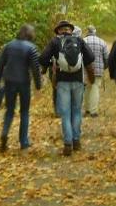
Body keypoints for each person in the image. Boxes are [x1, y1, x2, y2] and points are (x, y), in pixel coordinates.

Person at [40, 20, 95, 156]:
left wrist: (50, 64)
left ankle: (67, 144)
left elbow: (42, 58)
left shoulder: (55, 42)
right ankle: (76, 141)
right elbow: (91, 58)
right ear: (70, 30)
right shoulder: (79, 40)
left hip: (62, 82)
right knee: (76, 111)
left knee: (65, 114)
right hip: (78, 82)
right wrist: (91, 77)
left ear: (59, 30)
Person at [0, 24, 42, 153]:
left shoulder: (9, 46)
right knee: (24, 112)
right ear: (29, 34)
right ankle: (24, 142)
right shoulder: (32, 48)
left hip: (9, 81)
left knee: (9, 110)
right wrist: (38, 87)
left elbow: (0, 64)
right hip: (24, 83)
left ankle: (4, 134)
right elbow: (35, 69)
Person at [83, 25, 108, 117]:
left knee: (87, 89)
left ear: (87, 31)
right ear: (95, 31)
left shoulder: (83, 41)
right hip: (98, 70)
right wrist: (104, 67)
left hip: (85, 69)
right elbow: (106, 58)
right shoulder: (102, 42)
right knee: (95, 88)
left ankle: (87, 109)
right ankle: (93, 111)